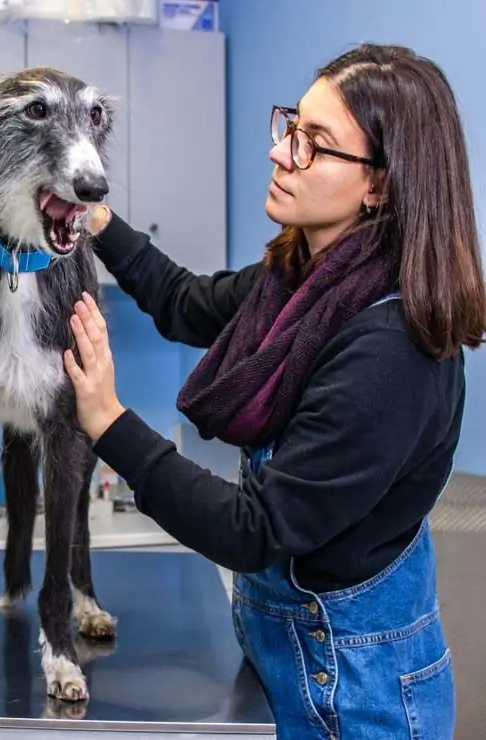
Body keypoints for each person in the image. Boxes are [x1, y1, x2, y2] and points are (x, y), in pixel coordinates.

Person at [62, 43, 485, 739]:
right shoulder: (298, 283)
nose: (280, 153)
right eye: (291, 126)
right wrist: (94, 219)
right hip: (290, 660)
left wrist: (109, 422)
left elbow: (254, 529)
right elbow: (185, 302)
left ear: (380, 185)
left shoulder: (392, 350)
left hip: (357, 692)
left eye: (314, 144)